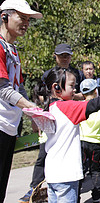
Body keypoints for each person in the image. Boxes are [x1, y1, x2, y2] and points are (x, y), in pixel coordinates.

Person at [33, 66, 100, 202]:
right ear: (57, 87)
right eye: (71, 86)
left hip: (52, 174)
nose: (74, 90)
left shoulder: (51, 107)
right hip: (66, 174)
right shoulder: (67, 107)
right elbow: (93, 104)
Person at [20, 43, 83, 202]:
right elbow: (40, 95)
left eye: (67, 55)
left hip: (69, 115)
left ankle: (75, 190)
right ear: (55, 56)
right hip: (51, 118)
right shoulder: (49, 74)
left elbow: (82, 95)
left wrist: (70, 97)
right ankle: (34, 188)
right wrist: (39, 115)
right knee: (44, 154)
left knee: (71, 152)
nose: (64, 58)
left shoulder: (77, 73)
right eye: (61, 55)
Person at [0, 0, 42, 202]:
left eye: (29, 19)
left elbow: (19, 87)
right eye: (22, 17)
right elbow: (3, 89)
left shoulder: (13, 50)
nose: (26, 23)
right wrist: (33, 108)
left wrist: (32, 115)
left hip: (9, 125)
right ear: (4, 17)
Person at [79, 78, 100, 202]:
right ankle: (97, 196)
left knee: (80, 169)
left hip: (82, 142)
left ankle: (76, 195)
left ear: (82, 94)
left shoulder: (80, 106)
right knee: (95, 169)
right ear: (96, 91)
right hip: (96, 143)